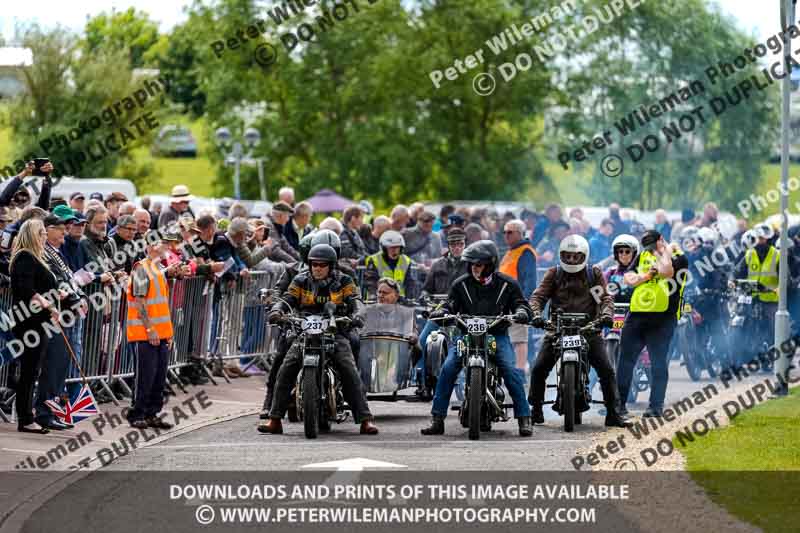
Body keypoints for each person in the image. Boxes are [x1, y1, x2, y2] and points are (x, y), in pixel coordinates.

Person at [258, 243, 379, 435]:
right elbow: (286, 299)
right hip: (305, 331)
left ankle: (365, 420)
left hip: (335, 330)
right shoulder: (300, 280)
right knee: (286, 367)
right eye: (314, 264)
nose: (318, 268)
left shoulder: (344, 281)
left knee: (348, 368)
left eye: (322, 265)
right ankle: (275, 419)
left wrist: (358, 316)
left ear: (331, 266)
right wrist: (276, 311)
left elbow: (356, 301)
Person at [420, 240, 533, 437]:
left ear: (490, 264)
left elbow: (521, 304)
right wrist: (442, 312)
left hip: (496, 334)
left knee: (510, 370)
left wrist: (522, 312)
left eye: (479, 264)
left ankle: (524, 418)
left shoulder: (508, 284)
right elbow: (449, 305)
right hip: (466, 336)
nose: (474, 268)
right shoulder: (460, 284)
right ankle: (437, 419)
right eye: (472, 264)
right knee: (447, 369)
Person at [528, 235, 632, 428]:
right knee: (538, 368)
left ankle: (613, 413)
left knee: (607, 370)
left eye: (576, 257)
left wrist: (606, 316)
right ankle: (535, 409)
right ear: (561, 255)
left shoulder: (593, 274)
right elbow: (538, 297)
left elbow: (605, 299)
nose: (572, 260)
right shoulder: (554, 273)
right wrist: (535, 314)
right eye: (568, 256)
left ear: (584, 256)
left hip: (588, 329)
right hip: (558, 329)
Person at [617, 230, 688, 417]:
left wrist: (665, 251)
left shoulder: (679, 257)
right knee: (625, 359)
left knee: (658, 362)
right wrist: (646, 276)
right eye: (647, 247)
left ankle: (655, 406)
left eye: (652, 245)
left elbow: (666, 271)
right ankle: (619, 405)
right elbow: (628, 278)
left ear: (661, 240)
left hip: (663, 317)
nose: (649, 250)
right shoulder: (643, 255)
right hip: (637, 314)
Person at [34, 212, 87, 430]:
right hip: (53, 316)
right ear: (47, 230)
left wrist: (80, 297)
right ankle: (44, 412)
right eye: (60, 227)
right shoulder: (44, 253)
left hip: (66, 314)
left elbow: (70, 279)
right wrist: (74, 298)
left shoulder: (57, 253)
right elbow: (55, 283)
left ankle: (53, 410)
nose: (65, 230)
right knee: (53, 365)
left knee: (61, 365)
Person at [9, 219, 61, 434]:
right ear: (31, 235)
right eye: (40, 233)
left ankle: (27, 415)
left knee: (33, 370)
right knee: (29, 371)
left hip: (39, 322)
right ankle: (25, 418)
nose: (44, 237)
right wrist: (48, 304)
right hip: (29, 323)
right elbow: (25, 289)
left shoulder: (35, 258)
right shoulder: (24, 257)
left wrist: (57, 297)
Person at [125, 231, 176, 430]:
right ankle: (137, 414)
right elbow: (139, 303)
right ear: (153, 245)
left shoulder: (157, 269)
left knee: (158, 378)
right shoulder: (142, 269)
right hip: (145, 334)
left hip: (160, 334)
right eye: (164, 243)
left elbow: (161, 305)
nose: (168, 247)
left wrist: (167, 333)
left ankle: (151, 413)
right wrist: (150, 329)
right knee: (144, 377)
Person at [416, 228, 469, 399]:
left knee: (466, 345)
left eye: (460, 244)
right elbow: (426, 289)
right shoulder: (438, 265)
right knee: (422, 342)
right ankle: (423, 383)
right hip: (439, 312)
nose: (457, 247)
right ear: (448, 245)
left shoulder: (471, 264)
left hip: (462, 314)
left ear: (464, 244)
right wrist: (424, 298)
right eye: (453, 244)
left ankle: (470, 381)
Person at [498, 219, 537, 379]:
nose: (506, 235)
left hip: (517, 302)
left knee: (519, 339)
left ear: (520, 234)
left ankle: (520, 372)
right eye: (505, 232)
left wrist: (524, 303)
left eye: (510, 232)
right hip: (504, 302)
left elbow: (529, 280)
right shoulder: (511, 251)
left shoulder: (526, 252)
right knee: (511, 338)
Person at [363, 230, 416, 298]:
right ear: (384, 248)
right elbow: (370, 281)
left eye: (397, 247)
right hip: (379, 299)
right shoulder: (374, 260)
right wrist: (374, 295)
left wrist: (410, 298)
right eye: (391, 247)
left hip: (398, 300)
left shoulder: (406, 260)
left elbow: (410, 283)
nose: (395, 250)